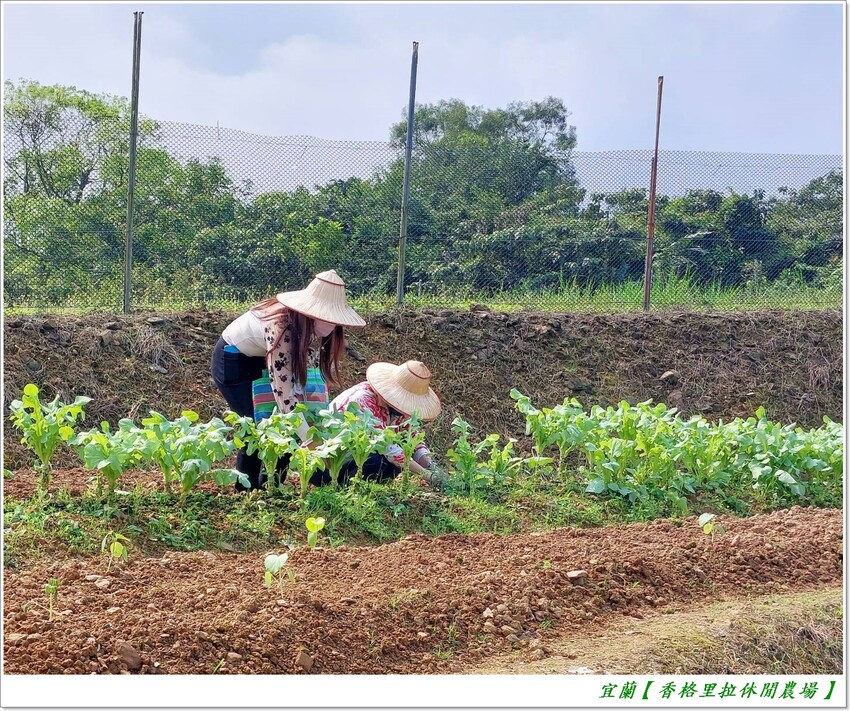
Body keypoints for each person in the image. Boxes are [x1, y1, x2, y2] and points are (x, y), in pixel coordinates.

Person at [211, 269, 366, 491]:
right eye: (327, 316)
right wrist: (310, 441)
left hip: (262, 358)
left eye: (335, 319)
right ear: (312, 311)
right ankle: (244, 492)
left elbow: (306, 382)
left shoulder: (313, 329)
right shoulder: (281, 327)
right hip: (233, 359)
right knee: (254, 426)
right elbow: (285, 397)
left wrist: (313, 423)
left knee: (284, 428)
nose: (332, 324)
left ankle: (271, 487)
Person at [317, 360, 445, 487]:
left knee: (396, 458)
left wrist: (432, 467)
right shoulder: (363, 400)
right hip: (329, 463)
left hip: (359, 457)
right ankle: (345, 488)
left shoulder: (400, 410)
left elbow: (413, 440)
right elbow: (389, 450)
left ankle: (372, 488)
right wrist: (427, 475)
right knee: (375, 461)